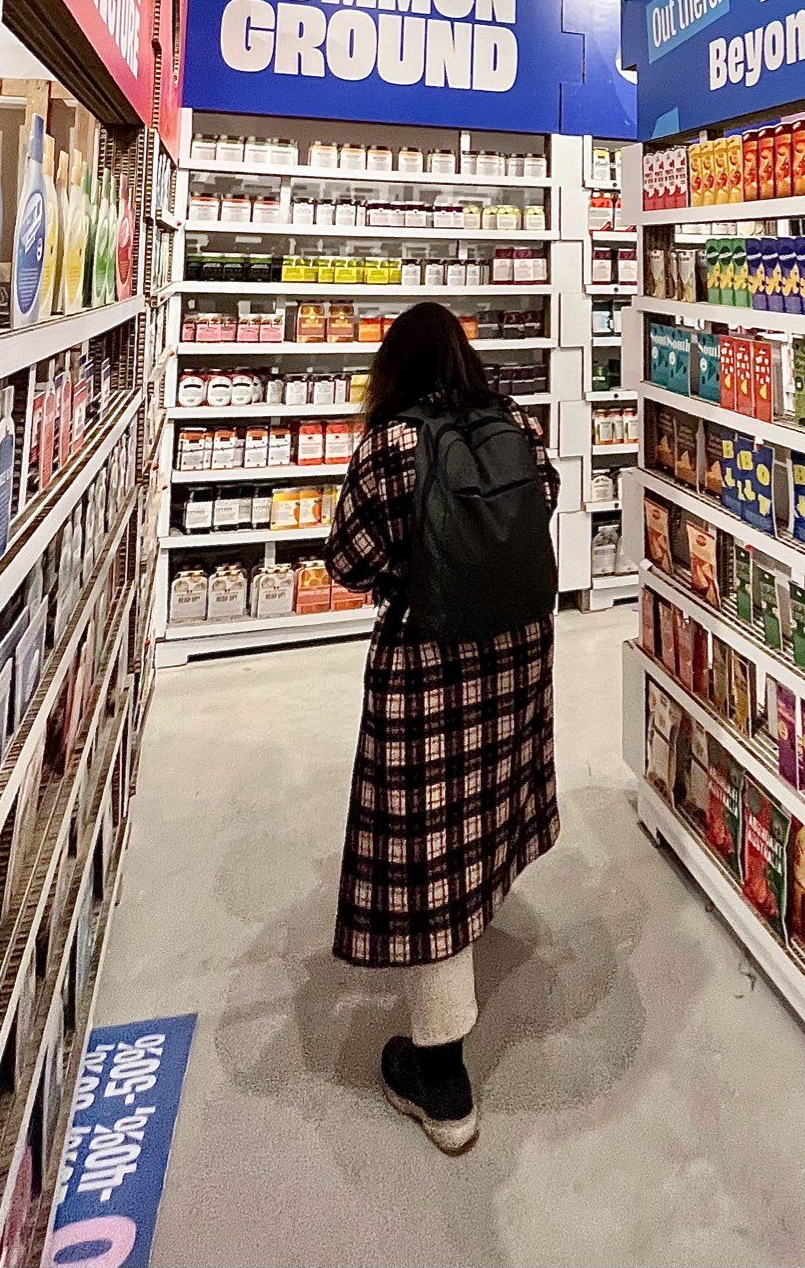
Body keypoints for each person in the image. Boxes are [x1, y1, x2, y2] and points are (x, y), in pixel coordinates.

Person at [325, 301, 560, 1154]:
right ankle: (476, 924)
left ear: (394, 370)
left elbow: (347, 561)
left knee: (429, 849)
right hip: (515, 664)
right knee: (483, 815)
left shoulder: (389, 446)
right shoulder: (517, 424)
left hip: (430, 673)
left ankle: (441, 1075)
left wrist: (414, 562)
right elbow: (543, 510)